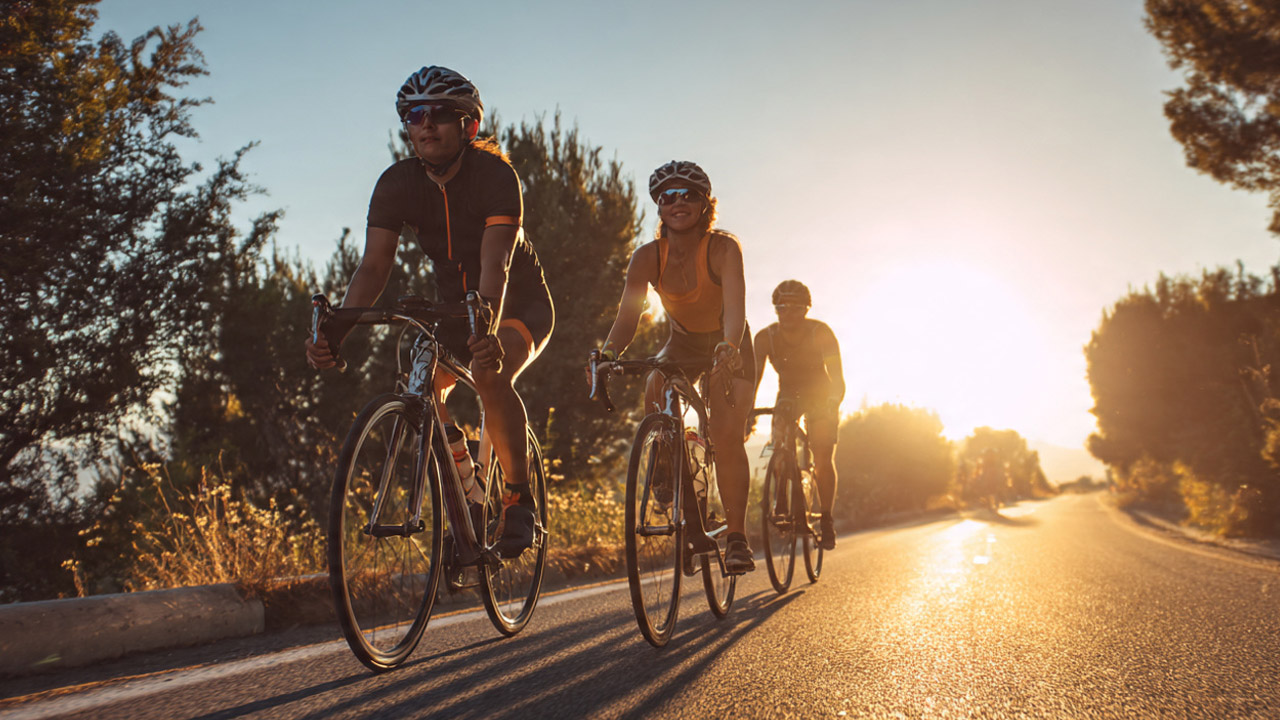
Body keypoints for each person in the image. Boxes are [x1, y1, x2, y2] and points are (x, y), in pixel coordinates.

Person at [305, 66, 554, 557]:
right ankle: (467, 490)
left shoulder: (496, 176)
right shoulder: (398, 184)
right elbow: (373, 268)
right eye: (415, 114)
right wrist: (338, 331)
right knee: (417, 380)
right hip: (452, 307)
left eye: (441, 113)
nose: (427, 123)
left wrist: (485, 329)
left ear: (469, 126)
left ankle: (518, 499)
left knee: (487, 372)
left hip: (517, 301)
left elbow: (496, 264)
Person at [594, 160, 756, 574]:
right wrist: (608, 354)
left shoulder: (722, 248)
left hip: (729, 341)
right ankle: (669, 466)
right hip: (682, 342)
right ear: (659, 206)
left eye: (690, 195)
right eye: (668, 196)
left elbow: (735, 308)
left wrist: (728, 347)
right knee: (653, 385)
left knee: (726, 433)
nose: (679, 202)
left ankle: (736, 538)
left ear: (706, 204)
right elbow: (628, 316)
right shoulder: (648, 257)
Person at [752, 280, 844, 550]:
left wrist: (832, 402)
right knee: (779, 442)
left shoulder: (820, 333)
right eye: (781, 308)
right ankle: (782, 497)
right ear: (775, 309)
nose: (787, 313)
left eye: (795, 308)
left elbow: (837, 378)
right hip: (788, 394)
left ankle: (826, 518)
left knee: (823, 453)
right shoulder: (765, 337)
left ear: (806, 309)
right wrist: (748, 412)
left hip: (820, 393)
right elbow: (753, 379)